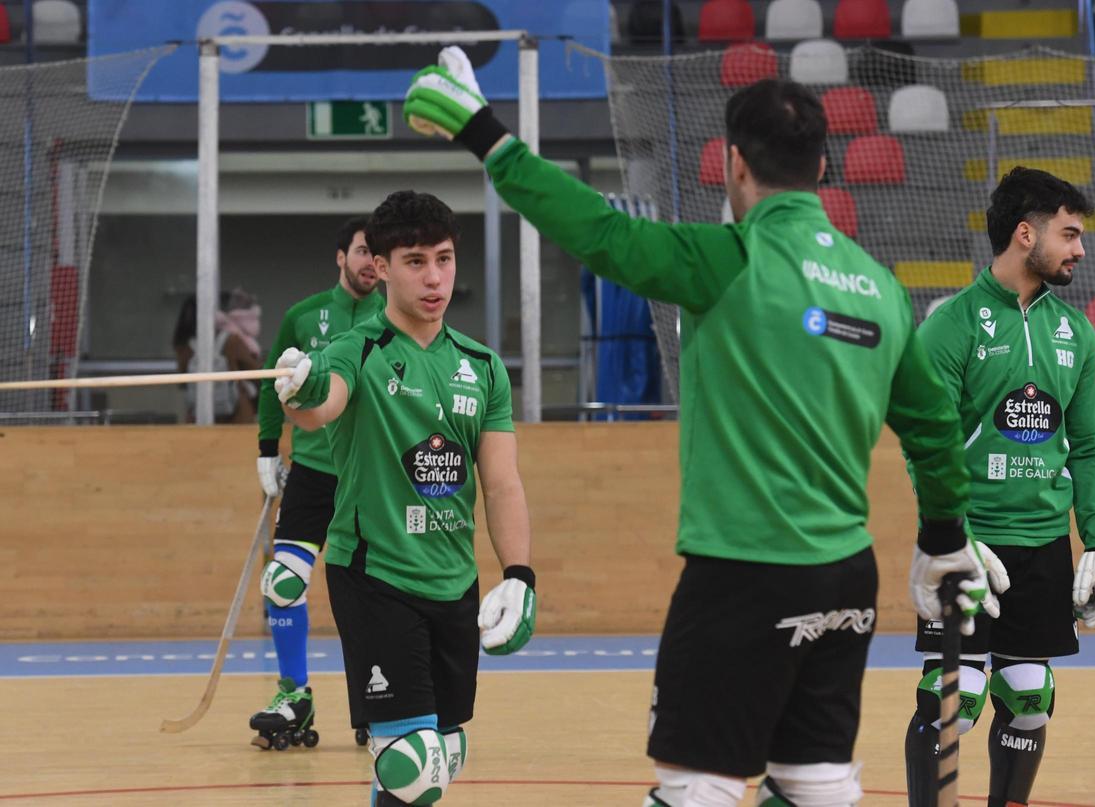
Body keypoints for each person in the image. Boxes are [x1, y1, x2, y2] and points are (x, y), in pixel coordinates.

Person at [400, 48, 1000, 807]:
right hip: (847, 578)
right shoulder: (881, 288)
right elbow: (933, 425)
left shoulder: (727, 259)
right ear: (822, 169)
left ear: (734, 166)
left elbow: (597, 232)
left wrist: (487, 134)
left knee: (699, 790)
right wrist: (945, 537)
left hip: (742, 577)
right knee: (816, 785)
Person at [272, 190, 536, 804]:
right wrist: (299, 389)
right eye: (415, 261)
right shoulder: (355, 351)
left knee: (441, 757)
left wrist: (520, 576)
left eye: (443, 259)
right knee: (414, 765)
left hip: (453, 581)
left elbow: (501, 483)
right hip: (374, 576)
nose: (435, 277)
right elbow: (320, 409)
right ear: (382, 267)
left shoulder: (483, 366)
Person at [903, 167, 1095, 807]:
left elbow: (1089, 446)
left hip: (1044, 546)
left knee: (1029, 699)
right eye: (1070, 233)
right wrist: (954, 536)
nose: (1080, 248)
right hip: (970, 547)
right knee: (955, 702)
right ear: (1026, 234)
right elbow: (926, 446)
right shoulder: (952, 327)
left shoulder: (1075, 333)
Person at [250, 217, 385, 749]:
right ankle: (294, 697)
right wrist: (266, 449)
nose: (371, 262)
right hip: (310, 472)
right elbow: (270, 385)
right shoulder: (302, 316)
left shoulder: (395, 319)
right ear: (340, 257)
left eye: (378, 254)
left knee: (378, 594)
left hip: (369, 476)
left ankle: (380, 698)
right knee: (283, 582)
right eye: (361, 252)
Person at [172, 288, 262, 423]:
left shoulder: (184, 345)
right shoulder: (231, 340)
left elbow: (183, 381)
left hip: (197, 415)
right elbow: (256, 373)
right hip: (237, 414)